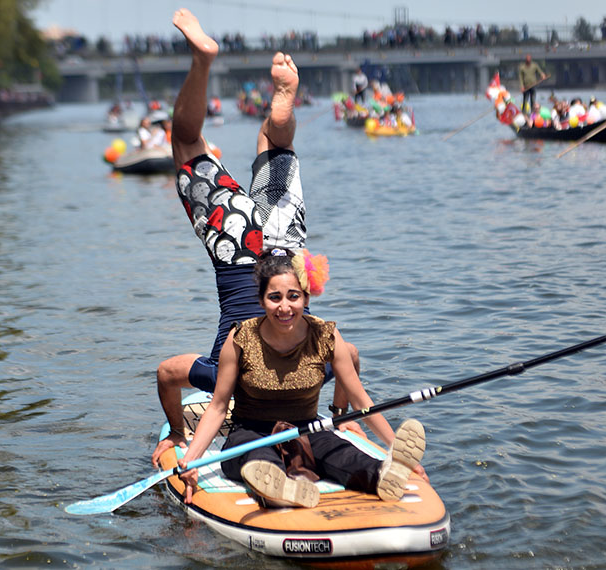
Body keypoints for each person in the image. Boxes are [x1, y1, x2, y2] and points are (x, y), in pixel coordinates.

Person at [154, 10, 416, 479]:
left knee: (212, 142)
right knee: (214, 143)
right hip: (256, 248)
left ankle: (213, 69)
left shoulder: (231, 364)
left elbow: (168, 375)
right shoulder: (310, 346)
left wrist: (177, 435)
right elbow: (350, 359)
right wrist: (342, 417)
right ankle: (271, 103)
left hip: (276, 243)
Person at [176, 248, 427, 508]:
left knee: (344, 455)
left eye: (293, 296)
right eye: (274, 297)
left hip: (308, 430)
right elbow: (218, 407)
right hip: (250, 434)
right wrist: (192, 460)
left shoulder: (325, 335)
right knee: (259, 460)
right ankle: (279, 489)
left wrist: (394, 446)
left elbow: (361, 400)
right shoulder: (240, 338)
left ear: (306, 297)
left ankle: (384, 474)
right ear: (261, 301)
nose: (284, 307)